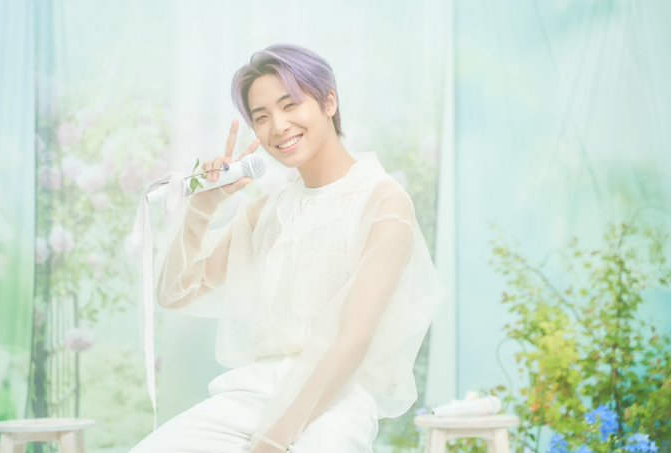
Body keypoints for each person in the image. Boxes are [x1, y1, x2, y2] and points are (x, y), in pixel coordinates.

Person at [131, 43, 443, 453]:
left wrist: (271, 441)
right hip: (251, 394)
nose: (278, 126)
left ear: (329, 102)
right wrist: (202, 207)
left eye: (290, 105)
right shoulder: (265, 213)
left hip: (334, 400)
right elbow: (174, 293)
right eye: (261, 117)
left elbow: (352, 339)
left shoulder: (383, 203)